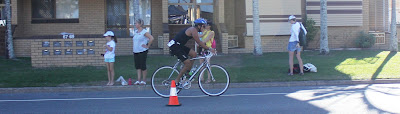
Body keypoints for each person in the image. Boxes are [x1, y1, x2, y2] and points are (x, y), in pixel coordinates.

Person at [168, 18, 216, 87]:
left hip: (180, 45)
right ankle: (177, 80)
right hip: (175, 46)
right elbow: (199, 42)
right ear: (199, 26)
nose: (204, 28)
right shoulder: (193, 30)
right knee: (187, 63)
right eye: (203, 26)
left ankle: (188, 73)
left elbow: (201, 39)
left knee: (194, 54)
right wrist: (210, 49)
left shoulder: (195, 30)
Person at [132, 19, 154, 85]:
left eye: (136, 23)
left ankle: (144, 80)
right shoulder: (135, 32)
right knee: (138, 66)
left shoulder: (144, 32)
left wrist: (147, 45)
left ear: (140, 24)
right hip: (136, 51)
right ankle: (138, 80)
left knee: (142, 65)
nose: (135, 25)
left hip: (142, 51)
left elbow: (151, 38)